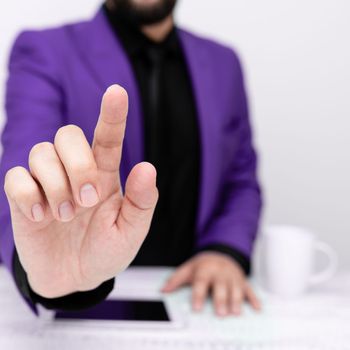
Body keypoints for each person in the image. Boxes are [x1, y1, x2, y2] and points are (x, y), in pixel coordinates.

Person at [0, 0, 262, 317]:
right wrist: (37, 268)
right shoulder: (45, 50)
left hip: (198, 305)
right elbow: (21, 176)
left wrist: (224, 250)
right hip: (89, 311)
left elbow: (240, 178)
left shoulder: (224, 63)